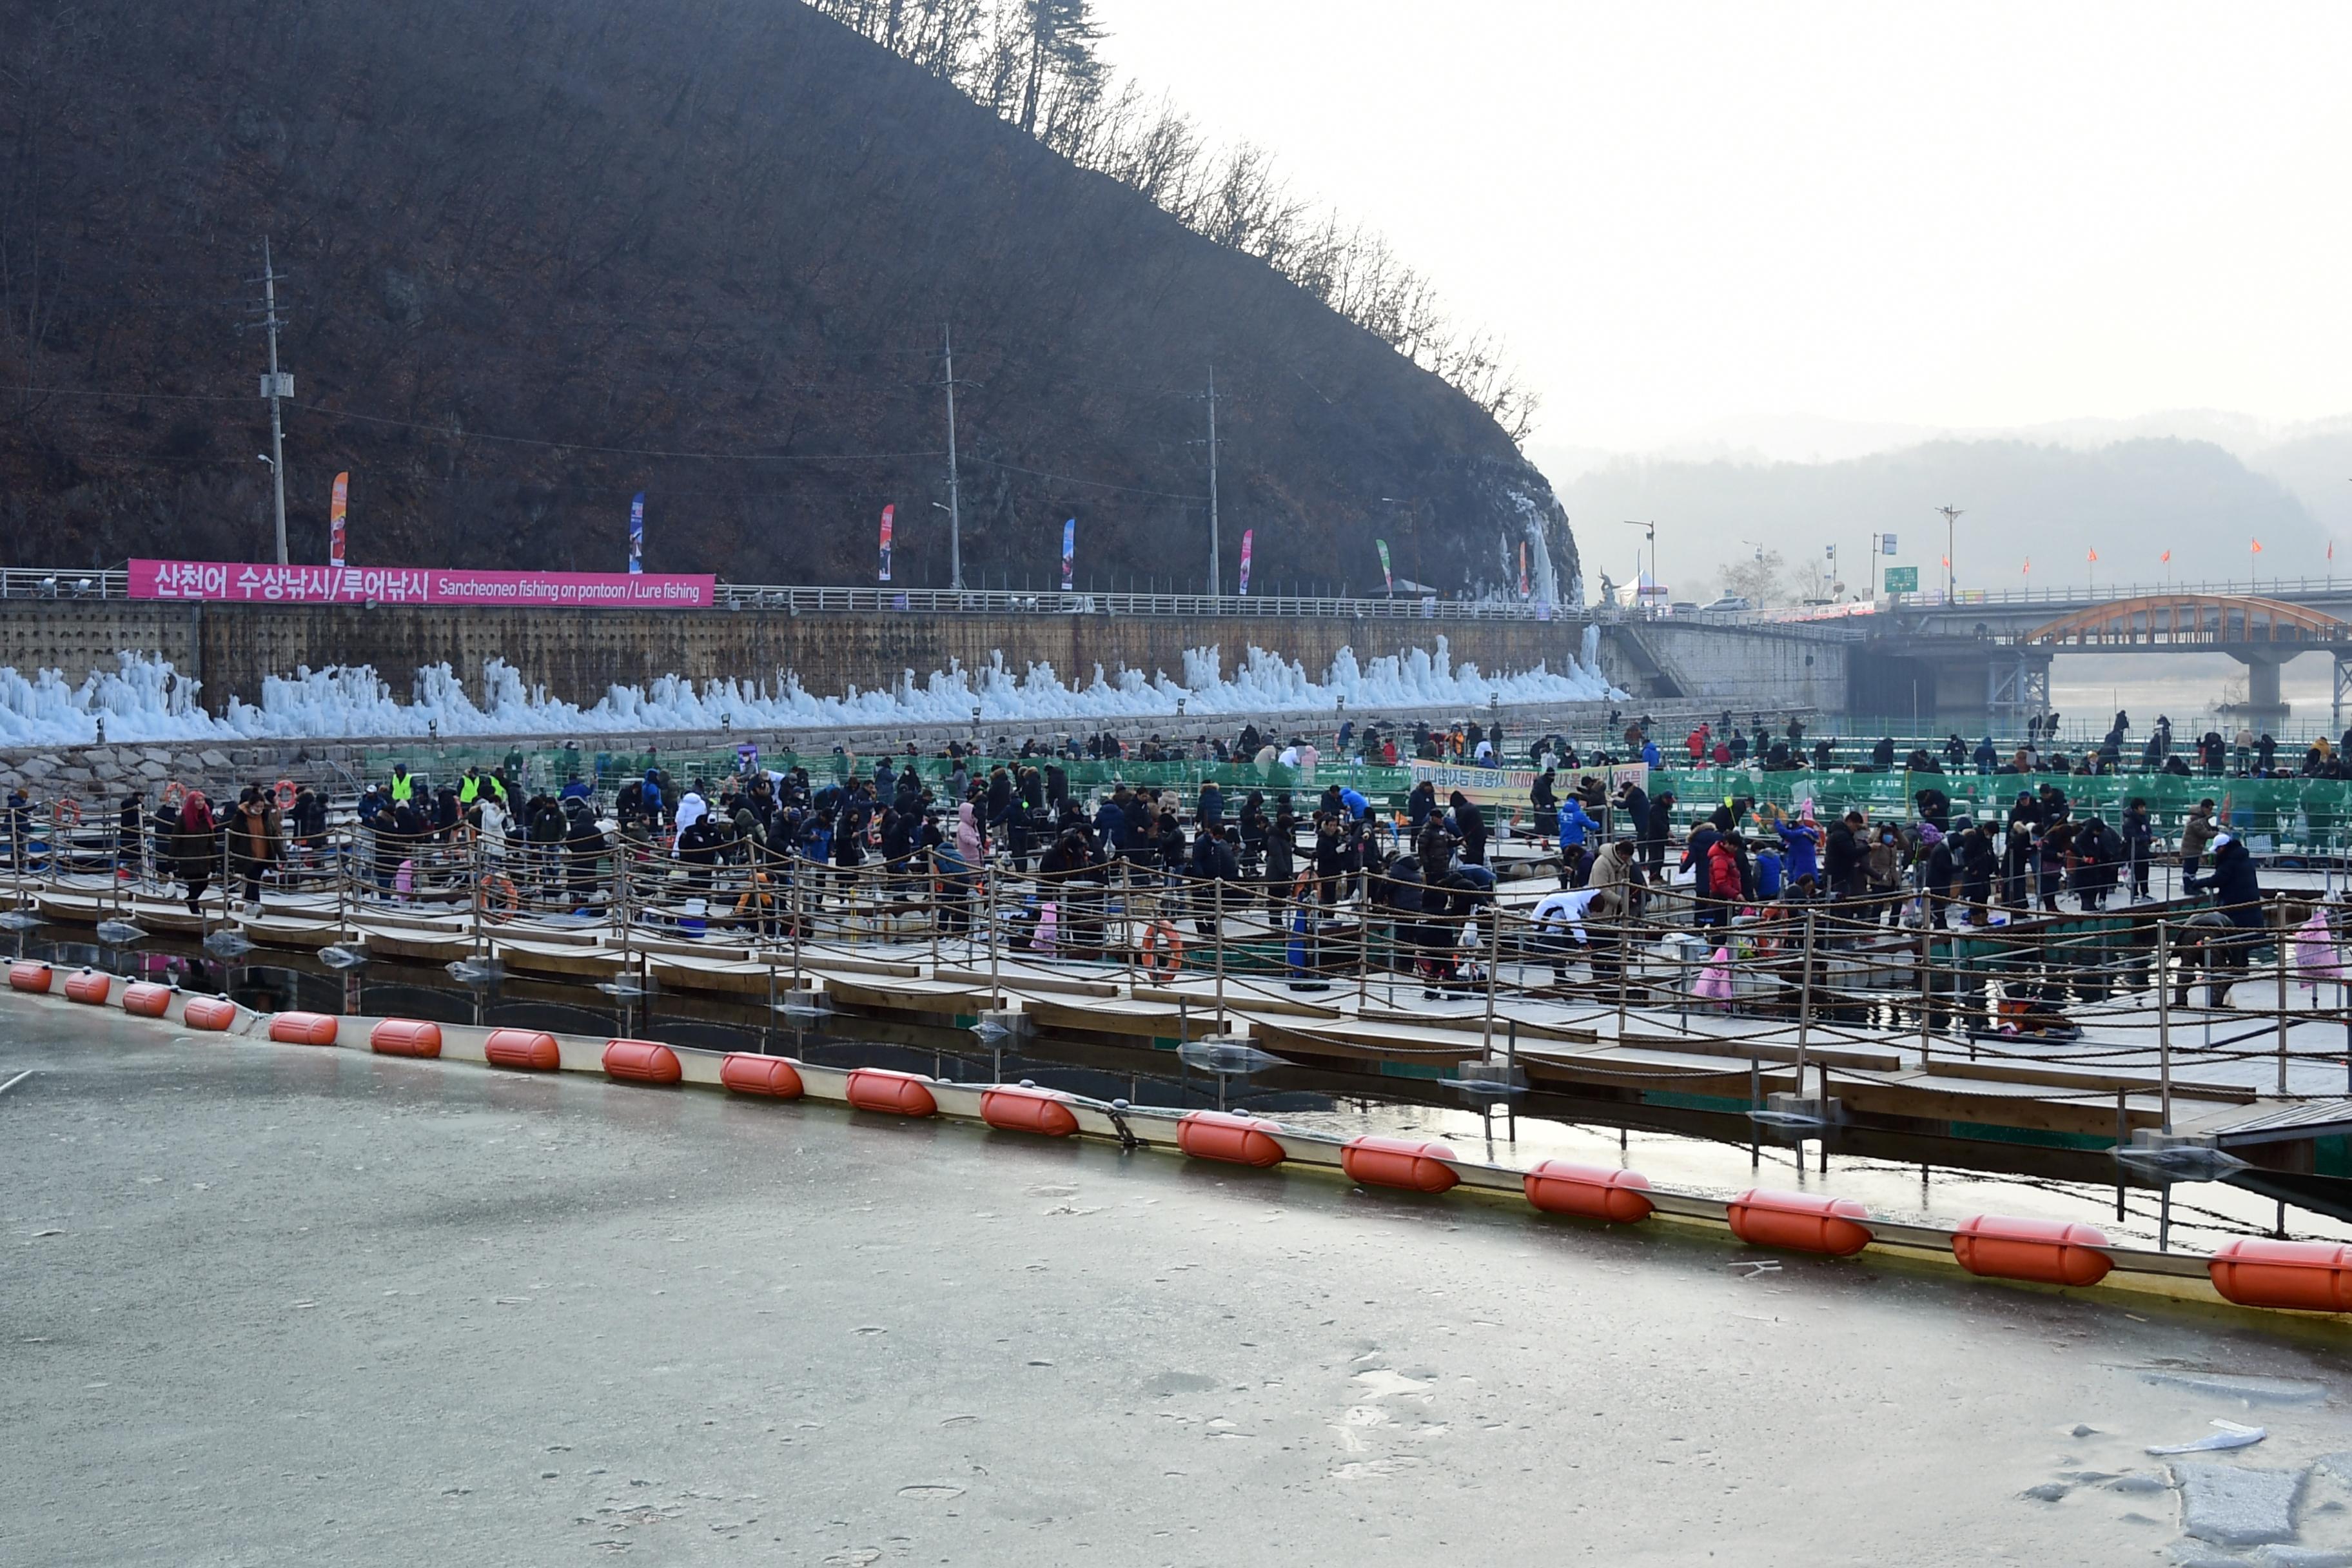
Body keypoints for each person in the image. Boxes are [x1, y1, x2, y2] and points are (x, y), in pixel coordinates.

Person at [1529, 885, 1604, 983]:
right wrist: (1583, 942)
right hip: (1544, 922)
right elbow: (1574, 922)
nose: (1592, 913)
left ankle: (1560, 977)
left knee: (1561, 944)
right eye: (1594, 910)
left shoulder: (1576, 898)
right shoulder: (1573, 902)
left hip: (1550, 922)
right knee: (1557, 947)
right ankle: (1560, 978)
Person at [2121, 798, 2153, 902]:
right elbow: (2132, 837)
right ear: (2135, 809)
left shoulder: (2144, 819)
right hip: (2134, 852)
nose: (2144, 809)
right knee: (2134, 873)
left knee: (2145, 873)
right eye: (2141, 807)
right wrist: (2147, 839)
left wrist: (2149, 839)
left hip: (2144, 851)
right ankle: (2134, 894)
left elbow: (2148, 831)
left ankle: (2145, 893)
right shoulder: (2129, 821)